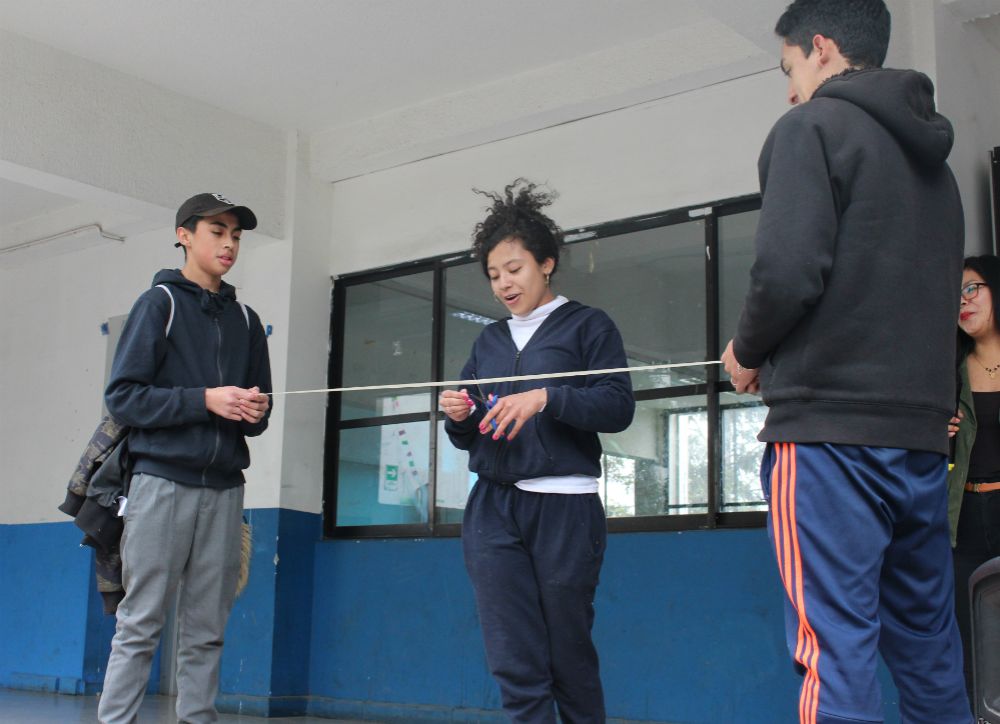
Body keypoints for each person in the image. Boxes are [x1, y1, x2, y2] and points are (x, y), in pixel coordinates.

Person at [719, 1, 971, 721]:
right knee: (929, 648)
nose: (790, 90)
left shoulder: (811, 129)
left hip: (830, 440)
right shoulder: (937, 169)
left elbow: (786, 273)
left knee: (834, 649)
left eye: (789, 67)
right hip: (919, 442)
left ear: (822, 48)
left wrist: (748, 350)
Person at [439, 179, 634, 723]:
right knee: (513, 659)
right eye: (494, 274)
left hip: (564, 507)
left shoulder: (589, 326)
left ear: (546, 264)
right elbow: (471, 430)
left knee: (568, 656)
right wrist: (460, 417)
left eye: (514, 268)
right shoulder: (489, 340)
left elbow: (617, 407)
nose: (504, 283)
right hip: (492, 509)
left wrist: (547, 397)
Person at [98, 193, 272, 724]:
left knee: (207, 630)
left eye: (235, 235)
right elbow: (123, 397)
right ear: (184, 235)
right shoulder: (159, 305)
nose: (229, 244)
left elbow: (258, 418)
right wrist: (205, 399)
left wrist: (253, 409)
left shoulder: (247, 320)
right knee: (140, 622)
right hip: (160, 483)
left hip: (225, 489)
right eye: (217, 231)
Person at [947, 254, 1000, 702]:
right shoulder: (948, 370)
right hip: (963, 513)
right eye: (955, 295)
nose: (962, 301)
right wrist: (935, 431)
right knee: (970, 636)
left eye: (971, 288)